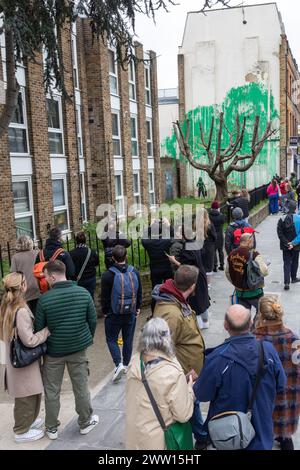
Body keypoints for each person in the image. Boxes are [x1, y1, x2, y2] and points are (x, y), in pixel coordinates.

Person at [193, 305, 286, 450]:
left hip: (228, 439)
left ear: (225, 325)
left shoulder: (216, 358)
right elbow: (281, 385)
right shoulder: (268, 351)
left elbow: (202, 394)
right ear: (250, 324)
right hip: (262, 436)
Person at [35, 260, 98, 440]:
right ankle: (85, 422)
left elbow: (39, 328)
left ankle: (52, 428)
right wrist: (86, 339)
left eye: (46, 277)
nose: (45, 280)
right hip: (78, 349)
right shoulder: (83, 293)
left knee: (52, 390)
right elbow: (92, 321)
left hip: (53, 352)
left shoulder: (44, 299)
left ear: (53, 276)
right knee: (81, 387)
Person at [152, 265, 208, 450]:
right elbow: (161, 351)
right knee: (190, 403)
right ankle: (200, 436)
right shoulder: (170, 314)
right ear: (192, 286)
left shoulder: (176, 299)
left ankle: (201, 435)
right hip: (183, 373)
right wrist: (181, 374)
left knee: (193, 402)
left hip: (187, 371)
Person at [125, 318, 195, 450]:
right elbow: (183, 414)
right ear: (167, 338)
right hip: (158, 441)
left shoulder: (134, 361)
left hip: (135, 436)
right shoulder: (172, 372)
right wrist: (189, 389)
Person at [0, 272, 49, 443]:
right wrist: (46, 331)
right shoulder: (20, 310)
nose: (27, 283)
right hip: (23, 361)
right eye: (24, 281)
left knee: (29, 392)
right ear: (22, 287)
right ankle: (21, 431)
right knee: (26, 395)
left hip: (14, 359)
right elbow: (29, 340)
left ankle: (29, 421)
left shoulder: (6, 306)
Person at [253, 295, 300, 451]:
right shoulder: (294, 339)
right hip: (288, 397)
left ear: (260, 314)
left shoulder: (254, 341)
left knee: (261, 438)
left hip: (263, 400)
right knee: (286, 438)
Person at [101, 245, 142, 382]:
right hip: (130, 311)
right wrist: (138, 307)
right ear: (126, 256)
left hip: (114, 313)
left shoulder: (107, 275)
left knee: (111, 339)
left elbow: (105, 297)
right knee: (128, 339)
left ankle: (118, 364)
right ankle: (125, 364)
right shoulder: (134, 271)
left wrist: (106, 312)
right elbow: (139, 290)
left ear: (113, 258)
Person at [167, 228, 210, 329]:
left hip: (194, 277)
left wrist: (174, 261)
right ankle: (206, 322)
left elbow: (186, 266)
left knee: (195, 303)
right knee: (203, 299)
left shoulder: (186, 247)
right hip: (201, 274)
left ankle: (198, 327)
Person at [226, 233, 268, 323]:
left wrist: (236, 282)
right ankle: (254, 328)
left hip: (239, 292)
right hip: (254, 292)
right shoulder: (254, 254)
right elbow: (264, 271)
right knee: (261, 311)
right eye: (252, 241)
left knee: (244, 315)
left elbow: (227, 273)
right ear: (248, 241)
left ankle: (246, 329)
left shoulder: (231, 254)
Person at [142, 219, 174, 311]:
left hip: (155, 270)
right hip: (167, 269)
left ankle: (155, 313)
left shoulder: (148, 242)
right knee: (170, 289)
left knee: (155, 292)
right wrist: (168, 225)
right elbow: (175, 236)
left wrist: (150, 226)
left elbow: (143, 237)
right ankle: (170, 309)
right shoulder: (166, 241)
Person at [11, 235, 40, 315]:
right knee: (38, 312)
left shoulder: (15, 257)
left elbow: (13, 274)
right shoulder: (37, 253)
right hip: (37, 286)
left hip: (24, 288)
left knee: (26, 313)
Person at [277, 200, 300, 290]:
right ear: (295, 209)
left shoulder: (281, 219)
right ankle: (293, 278)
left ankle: (287, 282)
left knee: (286, 263)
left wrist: (287, 243)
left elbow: (279, 233)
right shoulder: (299, 218)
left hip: (285, 245)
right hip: (296, 245)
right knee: (295, 261)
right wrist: (293, 243)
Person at [69, 232, 99, 298]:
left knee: (79, 298)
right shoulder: (92, 252)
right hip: (90, 278)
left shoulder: (71, 254)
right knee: (90, 297)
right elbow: (97, 263)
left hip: (78, 280)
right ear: (85, 240)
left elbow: (70, 268)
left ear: (76, 241)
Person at [201, 209, 217, 288]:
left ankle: (201, 283)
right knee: (209, 266)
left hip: (199, 246)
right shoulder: (210, 225)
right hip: (208, 247)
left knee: (201, 264)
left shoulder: (195, 225)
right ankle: (208, 285)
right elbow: (214, 237)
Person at [209, 201, 226, 272]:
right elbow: (224, 221)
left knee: (214, 251)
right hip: (220, 235)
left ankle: (215, 266)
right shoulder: (221, 216)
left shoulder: (209, 216)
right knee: (220, 251)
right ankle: (222, 265)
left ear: (211, 208)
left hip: (212, 235)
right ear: (218, 208)